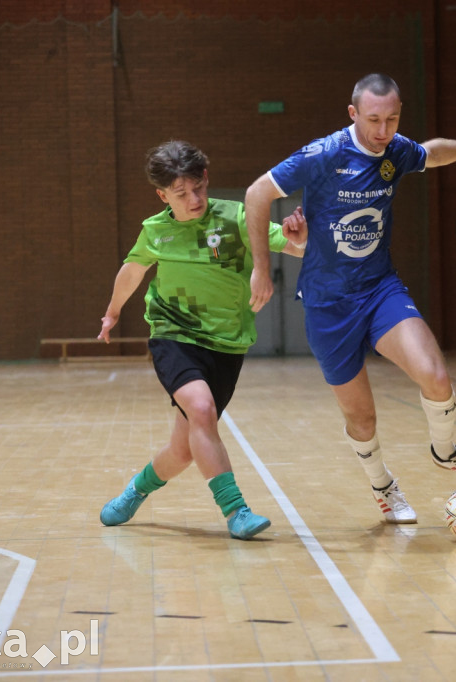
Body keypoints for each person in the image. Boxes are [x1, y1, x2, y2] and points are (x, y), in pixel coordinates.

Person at [244, 73, 456, 524]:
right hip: (327, 305)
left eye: (392, 119)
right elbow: (256, 193)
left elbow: (431, 153)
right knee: (362, 420)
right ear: (353, 113)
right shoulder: (324, 154)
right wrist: (263, 268)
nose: (383, 130)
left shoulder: (395, 150)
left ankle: (445, 451)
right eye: (374, 119)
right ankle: (383, 486)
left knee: (436, 376)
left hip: (379, 288)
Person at [97, 140, 307, 540]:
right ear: (162, 195)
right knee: (201, 407)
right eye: (181, 194)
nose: (193, 199)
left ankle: (135, 490)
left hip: (227, 344)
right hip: (173, 333)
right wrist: (112, 311)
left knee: (183, 449)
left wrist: (301, 234)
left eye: (198, 189)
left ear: (206, 179)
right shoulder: (156, 231)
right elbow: (132, 271)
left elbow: (293, 245)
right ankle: (236, 512)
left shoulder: (236, 218)